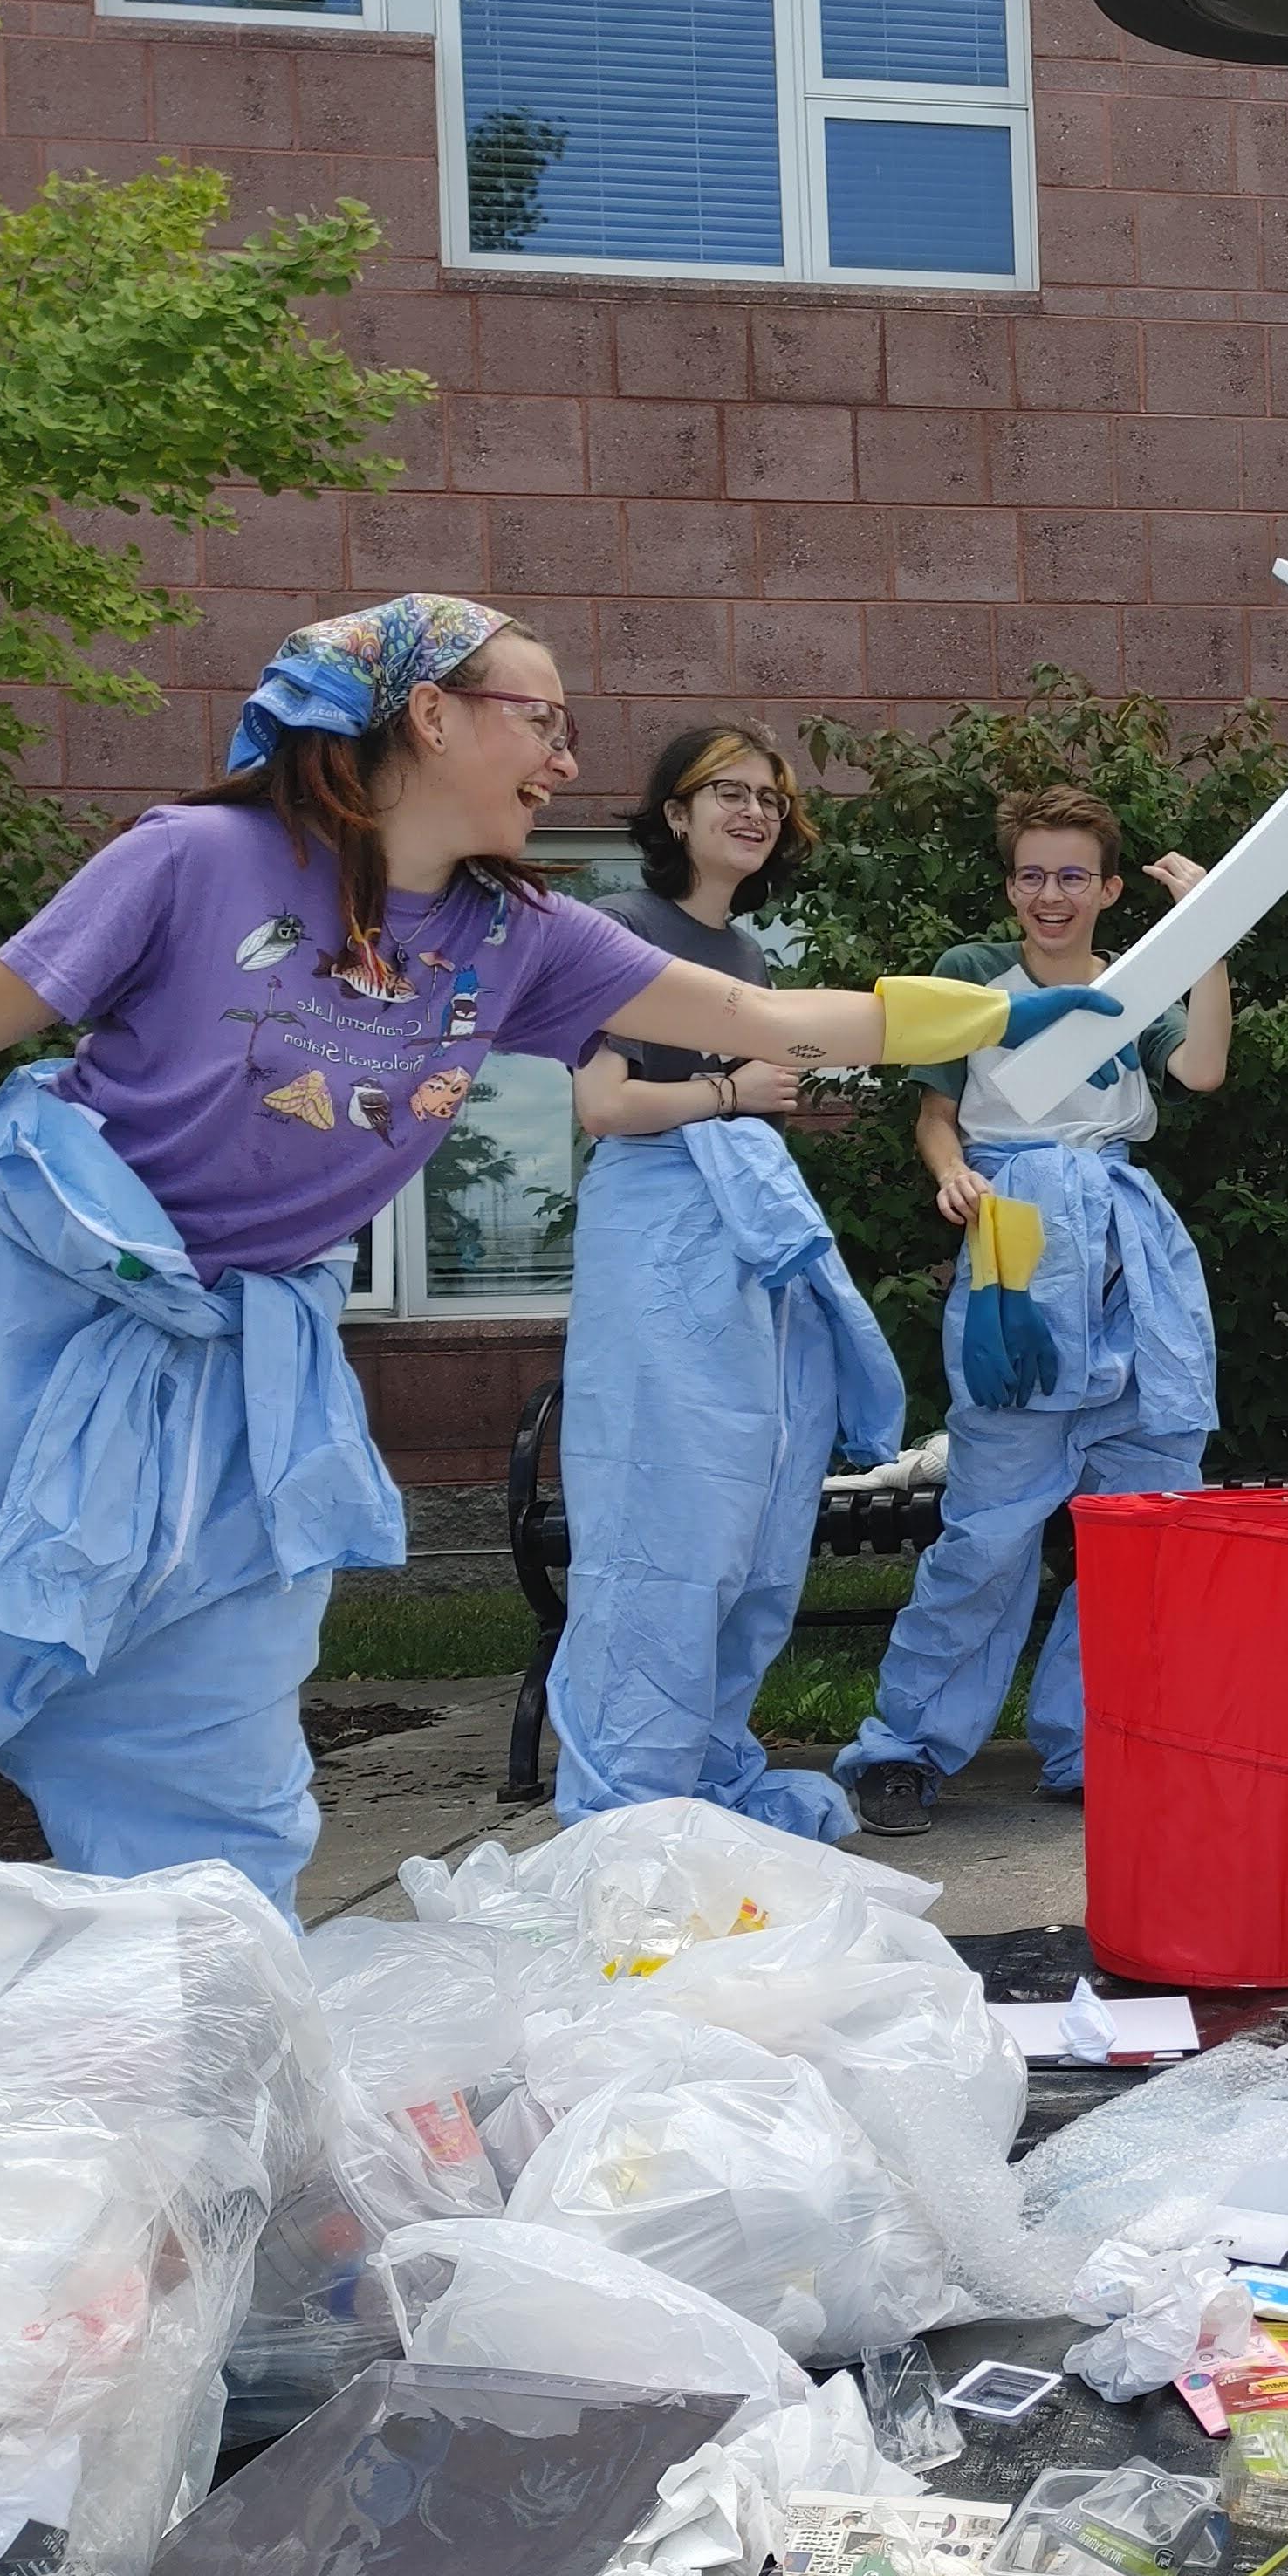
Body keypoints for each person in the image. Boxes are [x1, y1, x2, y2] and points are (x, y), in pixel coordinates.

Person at [0, 598, 1113, 2003]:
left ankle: (188, 2114)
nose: (566, 755)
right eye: (538, 715)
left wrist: (987, 1012)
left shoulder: (511, 935)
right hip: (20, 1325)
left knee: (209, 1810)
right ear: (425, 717)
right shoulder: (191, 863)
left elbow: (751, 1014)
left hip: (241, 1383)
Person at [827, 787, 1230, 1835]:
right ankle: (902, 1748)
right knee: (990, 1532)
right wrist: (953, 1175)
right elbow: (935, 1117)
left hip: (1131, 1265)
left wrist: (1210, 936)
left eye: (1072, 876)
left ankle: (1097, 1745)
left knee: (1141, 1525)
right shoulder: (973, 975)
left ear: (1105, 889)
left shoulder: (1132, 985)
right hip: (1017, 1252)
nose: (1050, 895)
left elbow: (1203, 1067)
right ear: (1012, 886)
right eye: (1032, 875)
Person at [542, 723, 909, 1840]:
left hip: (734, 1234)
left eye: (768, 796)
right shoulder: (620, 932)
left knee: (753, 1517)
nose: (751, 812)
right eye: (725, 793)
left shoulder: (743, 955)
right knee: (666, 1513)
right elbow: (601, 1108)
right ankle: (626, 1802)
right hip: (657, 1229)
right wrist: (733, 1096)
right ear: (672, 814)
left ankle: (703, 1765)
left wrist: (740, 1101)